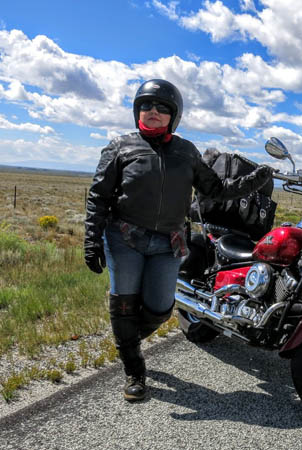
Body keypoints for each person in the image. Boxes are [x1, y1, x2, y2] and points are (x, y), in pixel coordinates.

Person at [84, 79, 273, 402]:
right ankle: (134, 370)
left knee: (160, 308)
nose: (153, 112)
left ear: (174, 115)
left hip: (168, 242)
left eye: (161, 108)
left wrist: (253, 182)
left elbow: (216, 190)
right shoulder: (120, 147)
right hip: (124, 237)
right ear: (136, 111)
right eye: (146, 106)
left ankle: (126, 341)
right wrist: (92, 239)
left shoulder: (186, 151)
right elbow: (98, 197)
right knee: (124, 304)